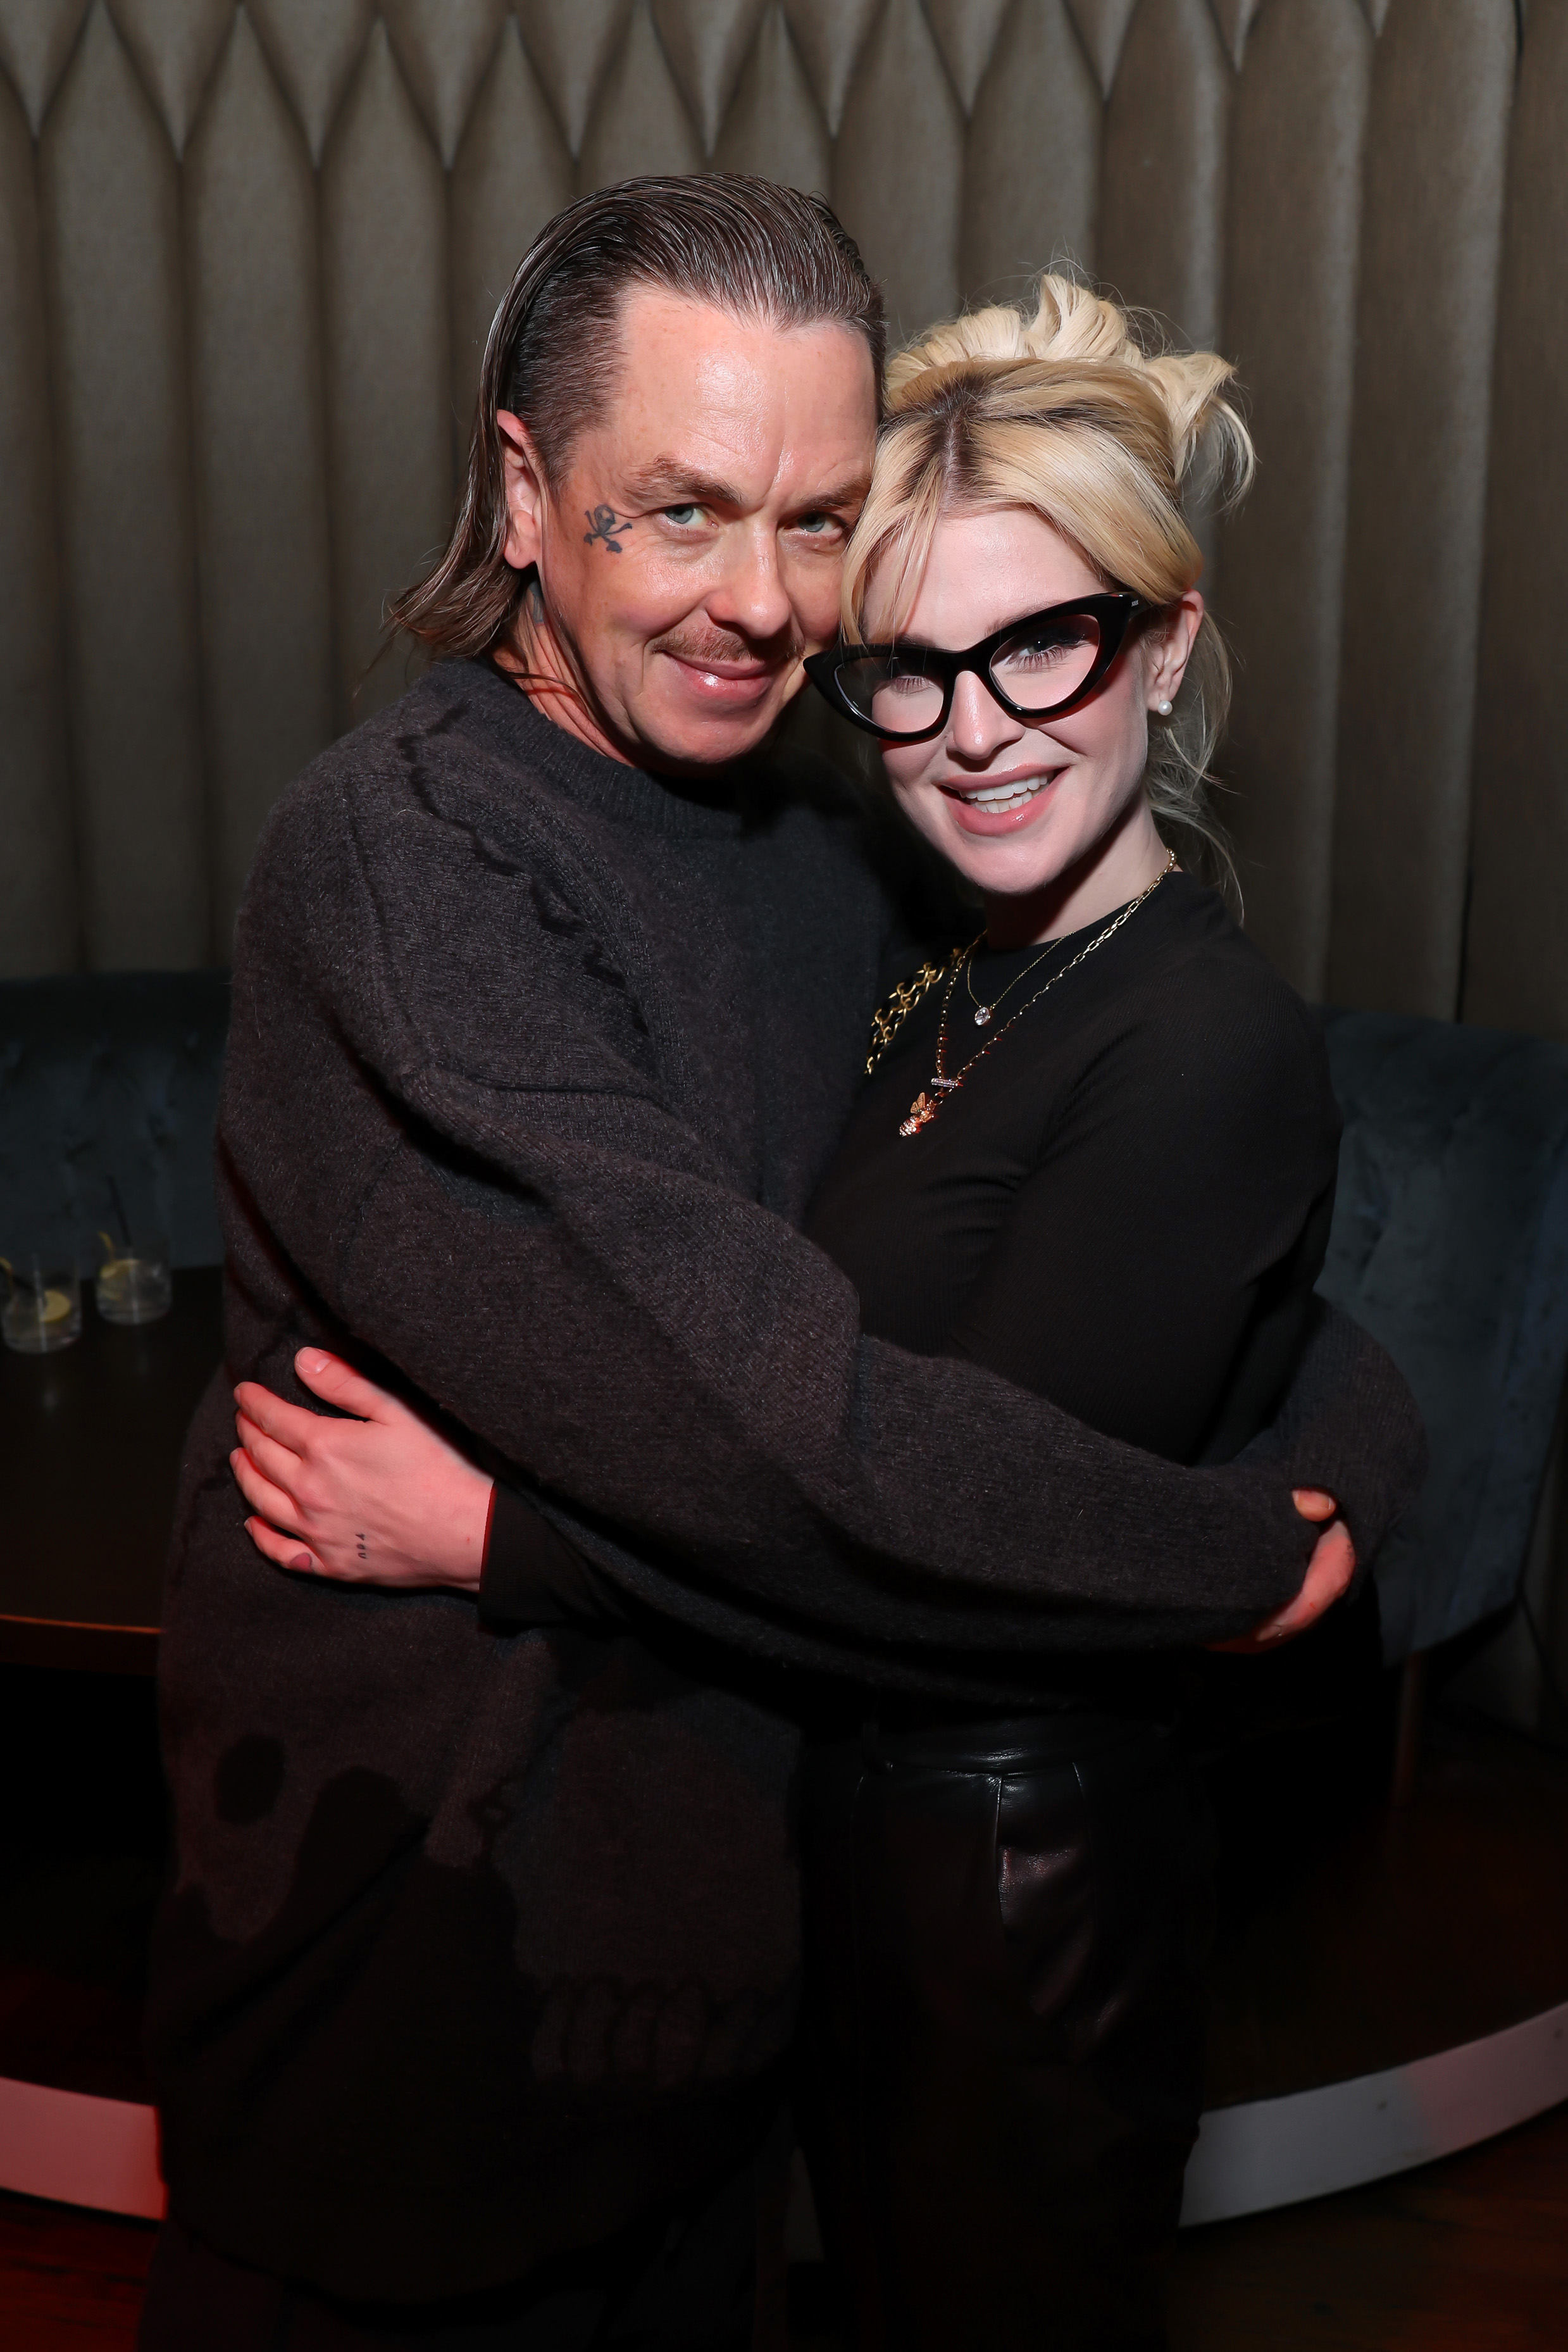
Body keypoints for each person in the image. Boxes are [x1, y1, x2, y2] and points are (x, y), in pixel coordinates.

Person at [142, 176, 1422, 2351]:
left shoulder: (835, 837)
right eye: (682, 512)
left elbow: (1095, 1239)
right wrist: (1220, 1559)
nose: (762, 603)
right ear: (526, 491)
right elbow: (786, 1427)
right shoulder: (408, 865)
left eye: (820, 522)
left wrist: (1365, 1446)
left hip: (733, 1968)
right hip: (432, 1966)